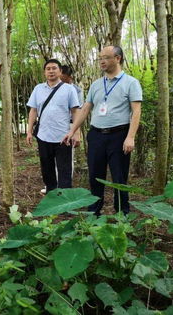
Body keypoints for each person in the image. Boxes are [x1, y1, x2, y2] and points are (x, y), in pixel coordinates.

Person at [63, 46, 142, 216]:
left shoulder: (131, 83)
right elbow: (85, 109)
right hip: (96, 135)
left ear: (118, 58)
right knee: (95, 176)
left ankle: (122, 214)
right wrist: (72, 130)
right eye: (99, 58)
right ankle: (94, 213)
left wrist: (130, 137)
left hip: (119, 136)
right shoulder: (97, 84)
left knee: (119, 178)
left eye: (105, 57)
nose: (102, 61)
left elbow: (136, 111)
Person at [26, 59, 80, 194]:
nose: (51, 71)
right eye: (48, 69)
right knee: (46, 168)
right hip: (43, 135)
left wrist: (76, 133)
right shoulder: (38, 89)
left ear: (60, 71)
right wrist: (29, 132)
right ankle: (51, 193)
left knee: (64, 169)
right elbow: (33, 111)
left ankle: (65, 198)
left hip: (64, 136)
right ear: (44, 72)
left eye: (54, 68)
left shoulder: (69, 89)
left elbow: (75, 112)